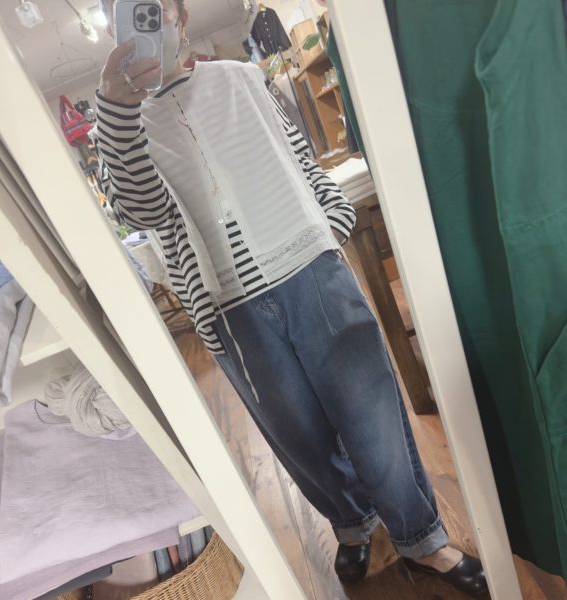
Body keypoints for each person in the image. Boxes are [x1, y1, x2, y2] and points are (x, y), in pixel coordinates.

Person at [95, 0, 487, 595]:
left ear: (179, 17)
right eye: (124, 14)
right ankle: (352, 524)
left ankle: (422, 538)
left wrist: (332, 225)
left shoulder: (240, 79)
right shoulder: (122, 125)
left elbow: (300, 155)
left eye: (157, 9)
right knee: (299, 437)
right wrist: (116, 111)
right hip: (230, 308)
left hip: (311, 271)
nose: (147, 25)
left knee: (373, 416)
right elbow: (142, 210)